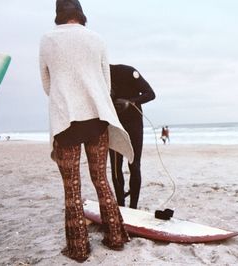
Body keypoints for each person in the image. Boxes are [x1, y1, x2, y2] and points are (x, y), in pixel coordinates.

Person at [39, 0, 134, 262]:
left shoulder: (47, 39)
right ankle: (115, 237)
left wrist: (68, 98)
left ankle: (78, 249)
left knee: (72, 187)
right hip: (96, 117)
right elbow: (106, 82)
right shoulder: (97, 39)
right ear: (81, 14)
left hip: (66, 119)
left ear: (59, 13)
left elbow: (47, 83)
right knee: (101, 180)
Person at [109, 64, 155, 209]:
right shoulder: (98, 80)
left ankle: (133, 207)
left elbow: (150, 93)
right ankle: (121, 205)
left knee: (134, 165)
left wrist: (130, 102)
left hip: (134, 125)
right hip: (114, 126)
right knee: (116, 168)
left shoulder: (128, 72)